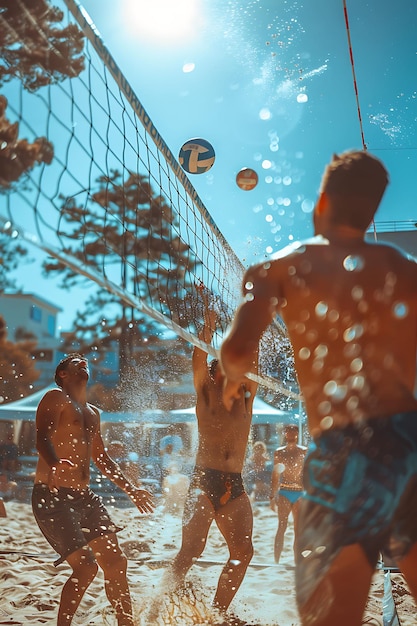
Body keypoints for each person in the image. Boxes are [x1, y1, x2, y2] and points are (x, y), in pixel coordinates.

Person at [220, 150, 417, 626]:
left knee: (330, 617)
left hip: (347, 446)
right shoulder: (406, 268)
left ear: (322, 200)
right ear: (372, 212)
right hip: (411, 441)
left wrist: (231, 380)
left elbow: (239, 350)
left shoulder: (280, 268)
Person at [154, 297, 258, 624]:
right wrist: (209, 322)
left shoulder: (246, 397)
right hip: (203, 480)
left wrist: (252, 317)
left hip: (234, 484)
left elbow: (252, 357)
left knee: (243, 553)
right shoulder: (205, 394)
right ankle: (158, 603)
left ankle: (218, 612)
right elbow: (199, 355)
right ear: (215, 375)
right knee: (191, 551)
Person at [31, 353, 154, 626]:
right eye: (75, 362)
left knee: (116, 563)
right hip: (52, 496)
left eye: (84, 361)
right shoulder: (55, 397)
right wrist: (52, 462)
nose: (83, 362)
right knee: (86, 568)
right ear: (63, 374)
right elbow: (41, 435)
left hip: (85, 497)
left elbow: (101, 458)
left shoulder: (93, 412)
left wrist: (130, 489)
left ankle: (126, 623)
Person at [269, 424, 306, 564]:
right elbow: (275, 475)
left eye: (293, 432)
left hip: (299, 492)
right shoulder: (279, 452)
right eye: (289, 432)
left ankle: (298, 562)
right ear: (285, 434)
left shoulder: (303, 451)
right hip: (285, 491)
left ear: (297, 434)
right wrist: (272, 496)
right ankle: (276, 562)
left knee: (298, 529)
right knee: (282, 527)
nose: (291, 434)